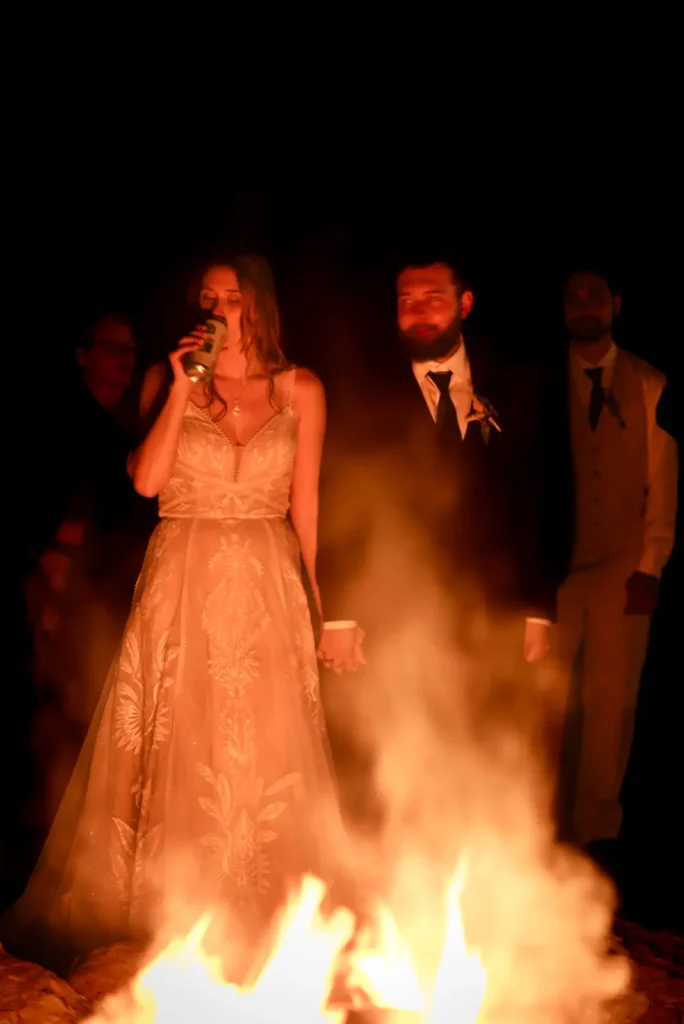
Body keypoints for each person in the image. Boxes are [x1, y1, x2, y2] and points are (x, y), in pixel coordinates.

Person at [1, 254, 342, 963]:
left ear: (260, 306)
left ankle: (267, 920)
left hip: (267, 585)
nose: (218, 309)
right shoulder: (165, 380)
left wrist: (322, 614)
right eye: (207, 297)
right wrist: (184, 392)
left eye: (233, 297)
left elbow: (306, 516)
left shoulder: (301, 389)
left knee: (264, 746)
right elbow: (148, 480)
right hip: (182, 580)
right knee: (184, 740)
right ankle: (172, 913)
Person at [316, 248, 561, 835]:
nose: (419, 312)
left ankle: (484, 896)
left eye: (433, 298)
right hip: (393, 614)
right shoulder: (361, 390)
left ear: (465, 304)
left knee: (492, 754)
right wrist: (341, 614)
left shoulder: (516, 384)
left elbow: (543, 498)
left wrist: (537, 608)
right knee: (391, 758)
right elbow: (335, 496)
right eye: (406, 301)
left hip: (493, 612)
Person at [555, 269, 678, 850]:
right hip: (553, 570)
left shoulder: (650, 383)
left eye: (595, 295)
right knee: (539, 701)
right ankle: (526, 826)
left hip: (623, 569)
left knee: (612, 706)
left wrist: (651, 564)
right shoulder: (540, 382)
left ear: (616, 305)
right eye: (574, 296)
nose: (584, 306)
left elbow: (662, 479)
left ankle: (596, 833)